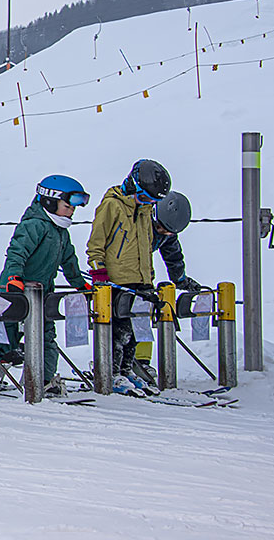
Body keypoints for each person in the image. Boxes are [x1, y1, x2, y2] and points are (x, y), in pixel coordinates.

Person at [0, 175, 91, 396]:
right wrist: (14, 277)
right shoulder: (34, 225)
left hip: (42, 292)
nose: (72, 212)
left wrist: (80, 284)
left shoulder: (60, 230)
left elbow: (69, 260)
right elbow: (17, 252)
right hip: (14, 291)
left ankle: (42, 379)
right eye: (67, 206)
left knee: (45, 336)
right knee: (4, 338)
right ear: (50, 201)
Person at [85, 159, 171, 393]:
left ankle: (126, 370)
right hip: (117, 280)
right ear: (132, 186)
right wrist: (98, 271)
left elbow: (145, 246)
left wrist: (149, 276)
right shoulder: (112, 206)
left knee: (135, 330)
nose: (148, 204)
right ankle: (111, 372)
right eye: (145, 199)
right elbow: (96, 243)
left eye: (153, 202)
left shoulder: (144, 212)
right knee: (118, 329)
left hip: (140, 280)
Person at [132, 189, 202, 384]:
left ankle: (142, 361)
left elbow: (173, 255)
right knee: (122, 316)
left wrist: (180, 280)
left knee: (143, 314)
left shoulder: (168, 232)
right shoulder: (137, 220)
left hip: (144, 277)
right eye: (162, 229)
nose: (165, 234)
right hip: (120, 275)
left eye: (170, 232)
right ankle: (116, 360)